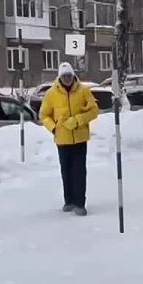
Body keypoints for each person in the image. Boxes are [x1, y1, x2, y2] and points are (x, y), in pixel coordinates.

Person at [39, 62, 100, 215]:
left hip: (79, 138)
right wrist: (53, 127)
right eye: (64, 76)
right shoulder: (51, 93)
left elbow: (94, 111)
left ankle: (80, 203)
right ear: (59, 77)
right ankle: (69, 201)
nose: (67, 79)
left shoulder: (83, 91)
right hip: (62, 138)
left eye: (69, 76)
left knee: (79, 171)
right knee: (66, 170)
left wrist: (78, 120)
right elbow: (43, 115)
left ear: (73, 76)